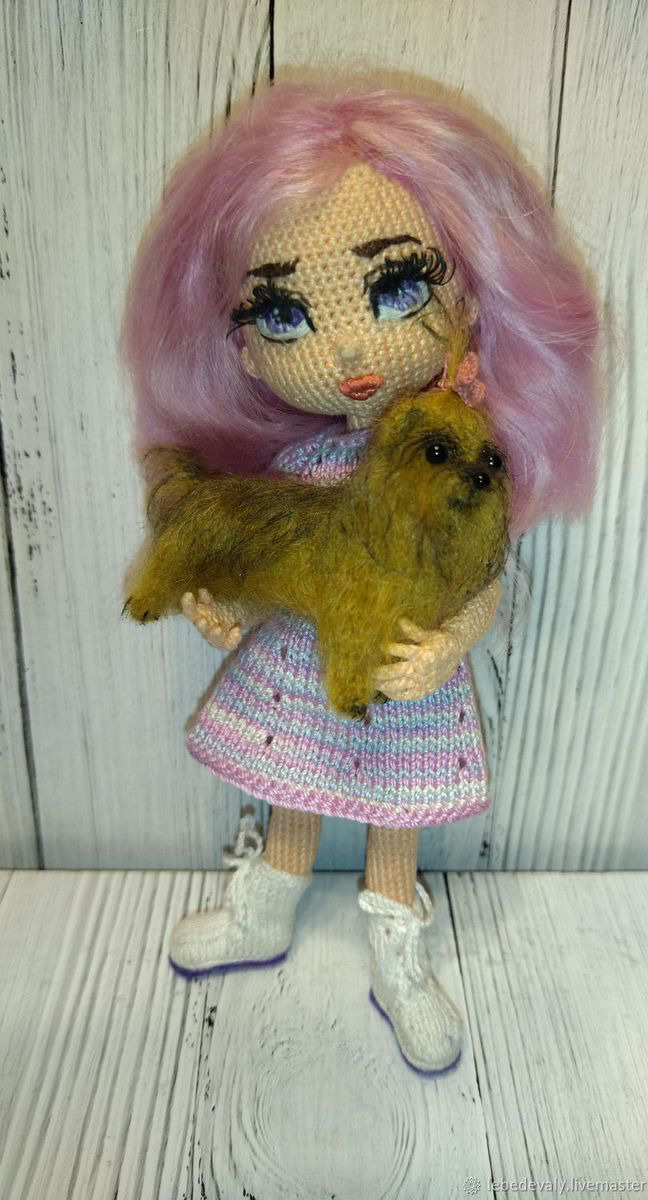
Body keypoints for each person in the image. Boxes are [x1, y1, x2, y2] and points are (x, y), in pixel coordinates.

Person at [121, 82, 601, 1073]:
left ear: (470, 298)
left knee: (395, 817)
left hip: (404, 676)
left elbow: (480, 580)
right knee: (292, 789)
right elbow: (273, 555)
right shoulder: (302, 470)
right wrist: (229, 605)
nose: (344, 349)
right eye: (284, 311)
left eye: (393, 290)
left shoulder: (454, 468)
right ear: (240, 345)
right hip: (302, 670)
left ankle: (398, 959)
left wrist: (451, 644)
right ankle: (265, 911)